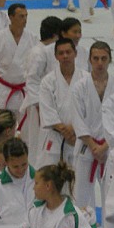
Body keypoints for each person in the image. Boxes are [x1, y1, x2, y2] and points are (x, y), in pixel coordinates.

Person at [72, 41, 114, 212]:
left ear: (109, 60)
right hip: (87, 147)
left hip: (110, 147)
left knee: (112, 196)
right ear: (90, 60)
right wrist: (94, 146)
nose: (100, 62)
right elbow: (77, 120)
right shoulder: (80, 87)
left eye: (104, 58)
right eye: (96, 58)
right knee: (81, 196)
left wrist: (105, 146)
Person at [38, 38, 90, 168]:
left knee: (77, 182)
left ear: (75, 53)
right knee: (51, 180)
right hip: (56, 137)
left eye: (68, 52)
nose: (65, 56)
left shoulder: (86, 79)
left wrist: (73, 130)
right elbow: (47, 110)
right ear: (55, 56)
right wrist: (65, 132)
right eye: (61, 53)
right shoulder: (48, 81)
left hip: (79, 136)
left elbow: (90, 109)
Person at [0, 3, 37, 116]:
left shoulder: (33, 38)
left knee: (25, 127)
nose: (25, 19)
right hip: (3, 89)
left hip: (24, 89)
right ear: (11, 17)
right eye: (21, 16)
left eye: (26, 16)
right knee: (0, 124)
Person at [21, 17, 62, 155]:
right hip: (38, 105)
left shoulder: (49, 50)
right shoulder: (38, 53)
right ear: (56, 35)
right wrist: (39, 105)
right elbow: (31, 81)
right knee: (37, 141)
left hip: (49, 103)